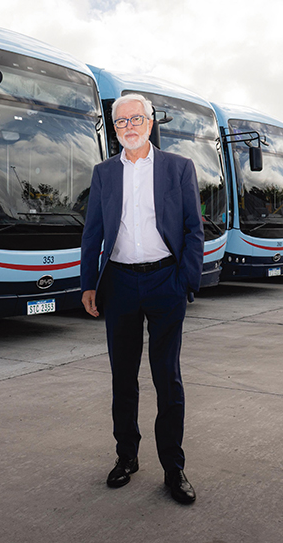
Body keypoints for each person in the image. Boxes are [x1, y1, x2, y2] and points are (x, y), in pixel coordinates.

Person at [80, 93, 205, 505]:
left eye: (135, 119)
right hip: (118, 285)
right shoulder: (103, 173)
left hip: (165, 282)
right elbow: (93, 232)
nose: (128, 127)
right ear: (114, 130)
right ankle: (126, 457)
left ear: (150, 123)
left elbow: (193, 229)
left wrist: (186, 280)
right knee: (123, 377)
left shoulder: (178, 168)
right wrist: (88, 284)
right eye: (120, 122)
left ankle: (174, 468)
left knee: (167, 378)